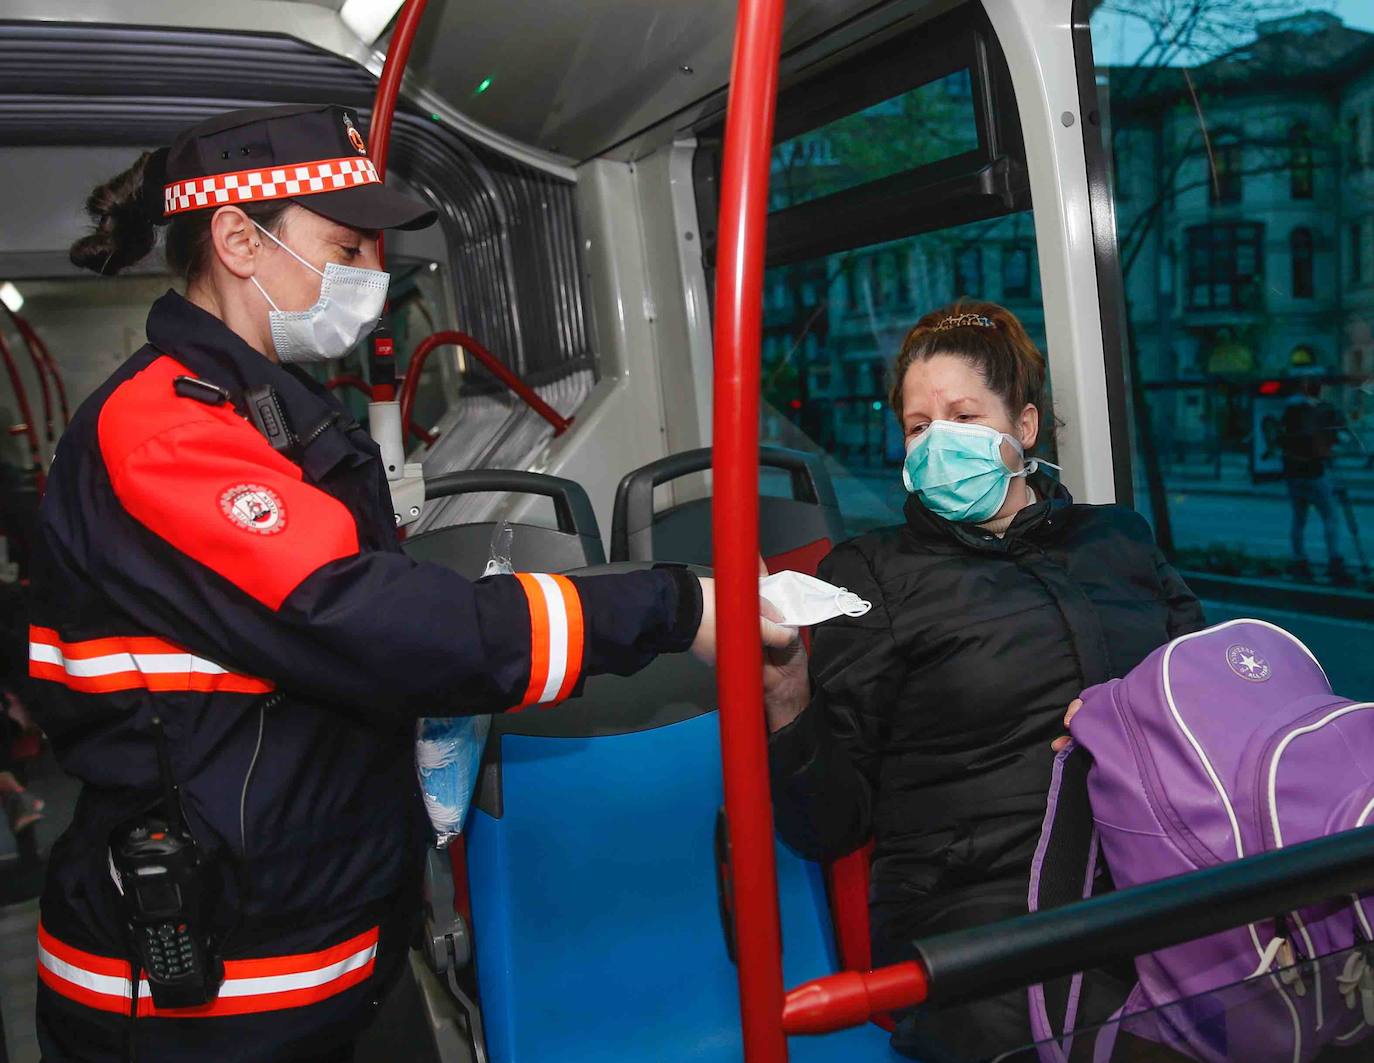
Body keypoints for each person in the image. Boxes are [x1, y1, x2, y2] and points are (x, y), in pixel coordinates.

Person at [30, 104, 787, 1063]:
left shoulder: (265, 411)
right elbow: (358, 619)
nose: (372, 279)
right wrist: (669, 607)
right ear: (236, 238)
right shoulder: (170, 431)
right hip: (204, 995)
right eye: (344, 245)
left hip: (294, 940)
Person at [763, 301, 1205, 1062]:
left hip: (1147, 872)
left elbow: (1204, 697)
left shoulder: (1116, 539)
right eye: (916, 426)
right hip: (981, 913)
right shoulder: (873, 574)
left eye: (963, 415)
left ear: (1023, 430)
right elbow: (826, 823)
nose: (937, 442)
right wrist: (785, 686)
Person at [1280, 374, 1353, 585]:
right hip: (1315, 471)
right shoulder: (1323, 410)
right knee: (1330, 516)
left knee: (1299, 518)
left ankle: (1299, 559)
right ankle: (1334, 560)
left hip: (1293, 472)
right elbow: (1340, 437)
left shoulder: (1291, 409)